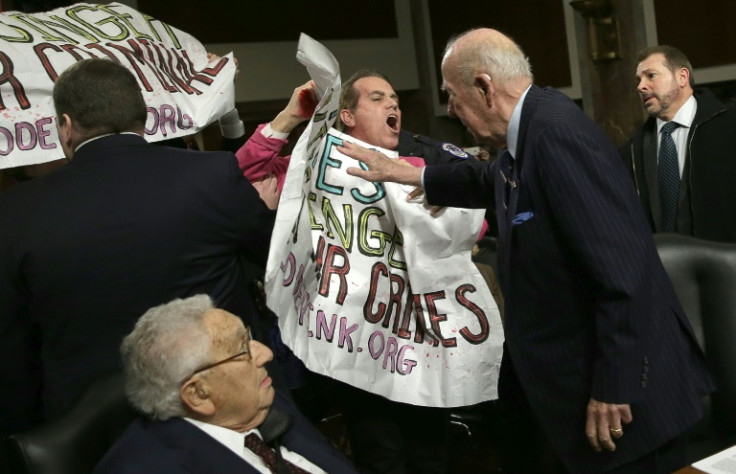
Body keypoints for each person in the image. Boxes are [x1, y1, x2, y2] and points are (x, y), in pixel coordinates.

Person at [341, 28, 714, 473]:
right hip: (578, 387)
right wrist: (413, 175)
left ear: (483, 87)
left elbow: (624, 272)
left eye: (452, 95)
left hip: (624, 403)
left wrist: (615, 385)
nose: (449, 109)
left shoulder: (556, 136)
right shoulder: (533, 124)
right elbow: (491, 176)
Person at [0, 58, 276, 436]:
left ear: (65, 126)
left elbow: (12, 345)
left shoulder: (15, 210)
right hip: (220, 404)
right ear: (144, 117)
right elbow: (273, 261)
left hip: (91, 428)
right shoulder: (213, 175)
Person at [237, 70, 484, 473]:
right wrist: (288, 118)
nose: (393, 105)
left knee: (431, 456)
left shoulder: (416, 166)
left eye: (395, 99)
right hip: (355, 341)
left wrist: (447, 212)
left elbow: (475, 219)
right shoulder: (312, 167)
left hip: (418, 336)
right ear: (347, 116)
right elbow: (242, 177)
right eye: (377, 98)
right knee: (379, 455)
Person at [94, 295, 357, 474]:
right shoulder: (156, 466)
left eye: (249, 336)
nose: (265, 353)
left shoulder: (259, 401)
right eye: (242, 349)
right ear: (198, 394)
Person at [621, 45, 736, 242]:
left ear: (682, 77)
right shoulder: (632, 149)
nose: (641, 86)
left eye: (651, 76)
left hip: (725, 262)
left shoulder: (729, 126)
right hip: (662, 265)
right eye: (639, 80)